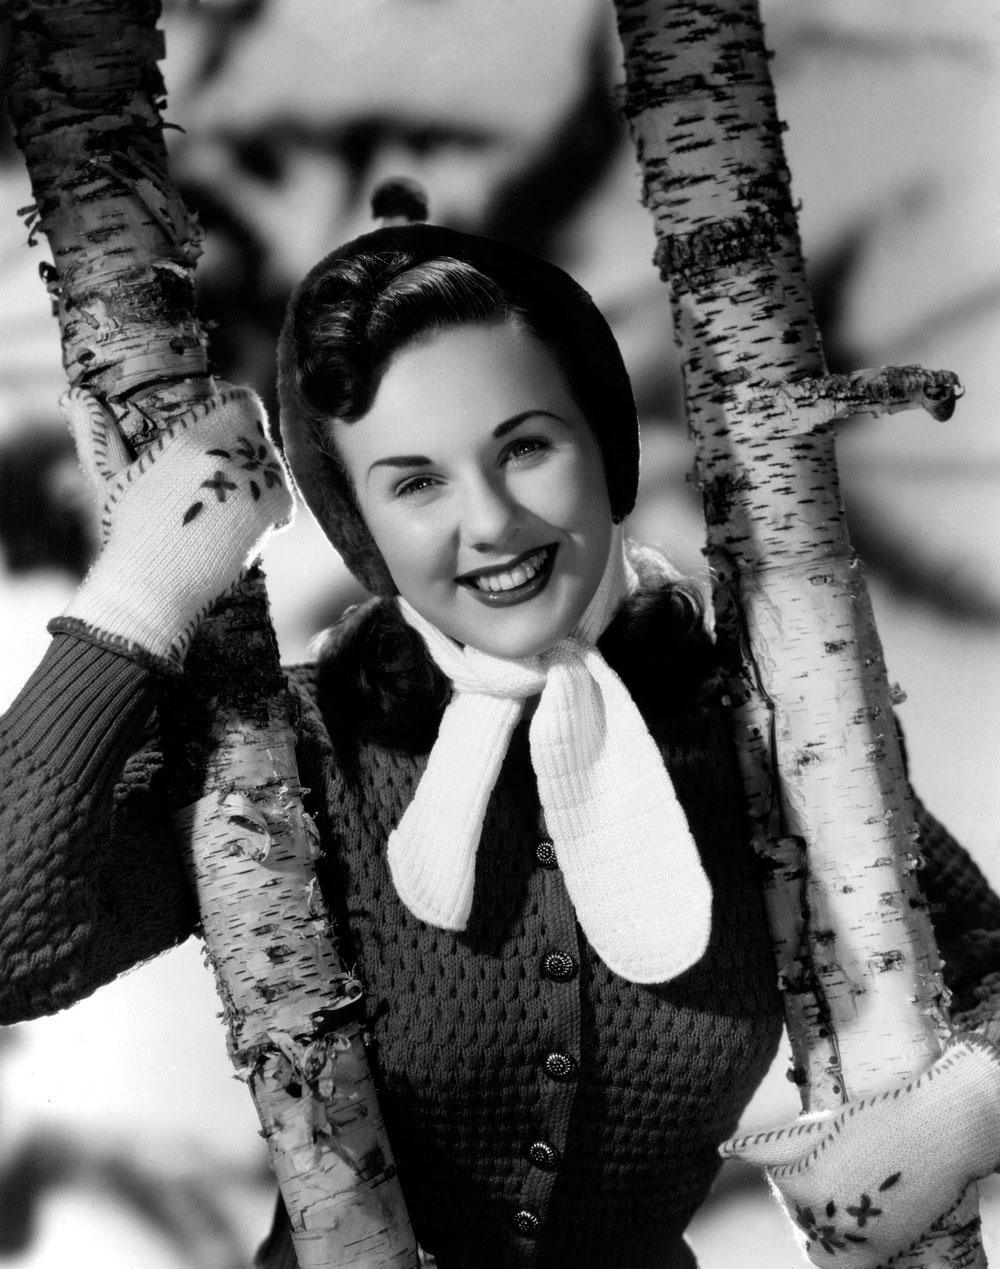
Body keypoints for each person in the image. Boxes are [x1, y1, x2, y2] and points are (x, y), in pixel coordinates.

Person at [2, 208, 1000, 1269]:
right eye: (415, 481)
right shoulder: (290, 757)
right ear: (360, 525)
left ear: (605, 447)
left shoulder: (761, 737)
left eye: (524, 447)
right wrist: (141, 595)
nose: (488, 522)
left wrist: (960, 1113)